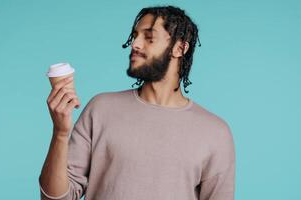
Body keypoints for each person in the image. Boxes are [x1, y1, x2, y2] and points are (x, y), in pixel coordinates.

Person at [39, 5, 235, 200]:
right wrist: (60, 133)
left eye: (149, 38)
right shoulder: (100, 109)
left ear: (180, 48)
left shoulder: (215, 132)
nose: (136, 44)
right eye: (135, 36)